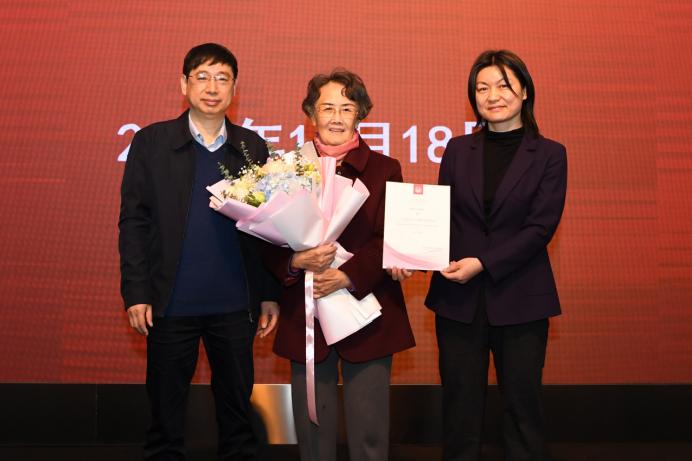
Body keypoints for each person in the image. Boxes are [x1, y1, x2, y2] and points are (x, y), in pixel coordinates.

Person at [392, 49, 567, 460]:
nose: (493, 96)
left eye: (503, 85)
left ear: (525, 91)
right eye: (482, 88)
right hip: (459, 300)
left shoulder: (549, 154)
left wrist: (484, 263)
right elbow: (443, 219)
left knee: (522, 408)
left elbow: (540, 228)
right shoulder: (457, 150)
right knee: (460, 407)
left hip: (521, 298)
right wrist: (411, 255)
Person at [118, 43, 280, 461]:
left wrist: (268, 293)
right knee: (165, 417)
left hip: (234, 304)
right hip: (170, 302)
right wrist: (136, 292)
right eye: (202, 77)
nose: (212, 88)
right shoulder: (152, 142)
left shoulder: (252, 147)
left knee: (237, 417)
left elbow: (268, 229)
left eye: (222, 79)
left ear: (234, 89)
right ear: (184, 84)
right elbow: (134, 222)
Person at [263, 69, 415, 461]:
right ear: (310, 114)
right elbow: (262, 238)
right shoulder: (285, 169)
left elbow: (391, 237)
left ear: (360, 114)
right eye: (327, 107)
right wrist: (294, 261)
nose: (336, 117)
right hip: (306, 315)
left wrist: (347, 275)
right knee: (313, 438)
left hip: (367, 313)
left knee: (369, 435)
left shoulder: (385, 168)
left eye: (346, 108)